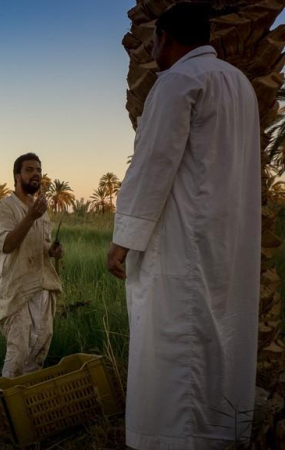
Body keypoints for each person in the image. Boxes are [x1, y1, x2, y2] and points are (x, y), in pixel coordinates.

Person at [106, 3, 261, 449]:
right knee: (221, 340)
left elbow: (153, 163)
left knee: (178, 346)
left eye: (153, 41)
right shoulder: (241, 85)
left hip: (184, 243)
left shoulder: (178, 82)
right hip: (228, 241)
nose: (152, 49)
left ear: (165, 38)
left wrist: (124, 239)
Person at [0, 153, 63, 378]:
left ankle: (26, 402)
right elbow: (7, 245)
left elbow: (42, 246)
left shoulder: (41, 210)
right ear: (17, 176)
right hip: (18, 289)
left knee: (39, 350)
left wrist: (53, 252)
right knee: (19, 351)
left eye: (39, 170)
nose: (36, 174)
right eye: (30, 170)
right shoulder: (6, 207)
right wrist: (30, 217)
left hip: (42, 287)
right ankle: (6, 403)